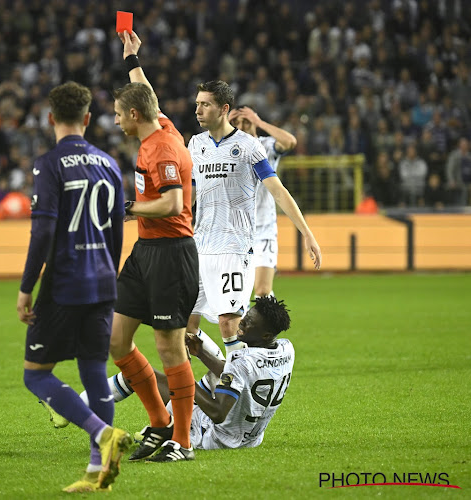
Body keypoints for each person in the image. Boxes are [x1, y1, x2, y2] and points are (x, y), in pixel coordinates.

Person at [16, 81, 131, 493]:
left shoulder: (48, 164)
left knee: (36, 375)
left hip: (65, 281)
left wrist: (27, 287)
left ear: (51, 119)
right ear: (86, 118)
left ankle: (103, 434)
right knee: (93, 369)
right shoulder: (109, 164)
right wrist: (107, 272)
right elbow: (118, 231)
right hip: (103, 280)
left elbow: (43, 230)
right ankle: (98, 471)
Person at [185, 76, 320, 395]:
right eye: (197, 104)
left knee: (228, 323)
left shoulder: (248, 146)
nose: (198, 110)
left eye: (205, 104)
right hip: (199, 248)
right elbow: (190, 195)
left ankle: (239, 393)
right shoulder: (196, 145)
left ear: (224, 109)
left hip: (234, 249)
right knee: (185, 333)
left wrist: (307, 233)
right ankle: (201, 391)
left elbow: (278, 190)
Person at [108, 31, 199, 463]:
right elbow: (151, 98)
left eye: (117, 116)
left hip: (171, 252)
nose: (115, 123)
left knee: (169, 347)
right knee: (118, 340)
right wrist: (132, 58)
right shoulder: (159, 126)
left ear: (132, 115)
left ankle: (183, 440)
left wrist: (127, 208)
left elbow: (173, 202)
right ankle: (160, 422)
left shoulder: (160, 148)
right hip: (146, 252)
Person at [88, 296, 295, 450]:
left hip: (214, 437)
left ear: (266, 334)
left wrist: (184, 380)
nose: (241, 323)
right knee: (155, 378)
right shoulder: (286, 348)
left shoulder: (242, 361)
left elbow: (217, 414)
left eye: (249, 323)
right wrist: (202, 354)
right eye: (246, 316)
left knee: (139, 375)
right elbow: (239, 375)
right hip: (249, 439)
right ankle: (164, 424)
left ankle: (80, 409)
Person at [228, 106, 297, 298]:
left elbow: (290, 141)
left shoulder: (265, 145)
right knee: (236, 294)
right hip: (236, 232)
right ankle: (250, 326)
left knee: (262, 291)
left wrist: (259, 122)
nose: (241, 126)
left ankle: (270, 323)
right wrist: (223, 123)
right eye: (236, 123)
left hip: (264, 230)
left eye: (246, 122)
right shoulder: (226, 149)